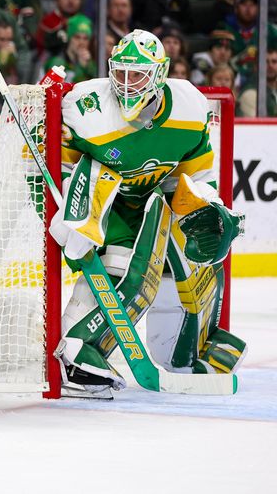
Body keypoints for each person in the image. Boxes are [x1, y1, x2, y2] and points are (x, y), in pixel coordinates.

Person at [51, 29, 247, 397]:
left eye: (136, 75)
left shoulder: (189, 105)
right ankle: (78, 354)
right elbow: (56, 163)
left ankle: (191, 349)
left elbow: (195, 176)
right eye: (120, 73)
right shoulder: (87, 106)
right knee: (123, 272)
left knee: (198, 259)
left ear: (159, 74)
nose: (125, 84)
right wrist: (71, 215)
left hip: (157, 197)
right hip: (105, 201)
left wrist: (208, 206)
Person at [238, 48, 277, 117]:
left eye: (274, 62)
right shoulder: (249, 93)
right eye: (265, 62)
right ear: (256, 66)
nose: (270, 65)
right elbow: (256, 126)